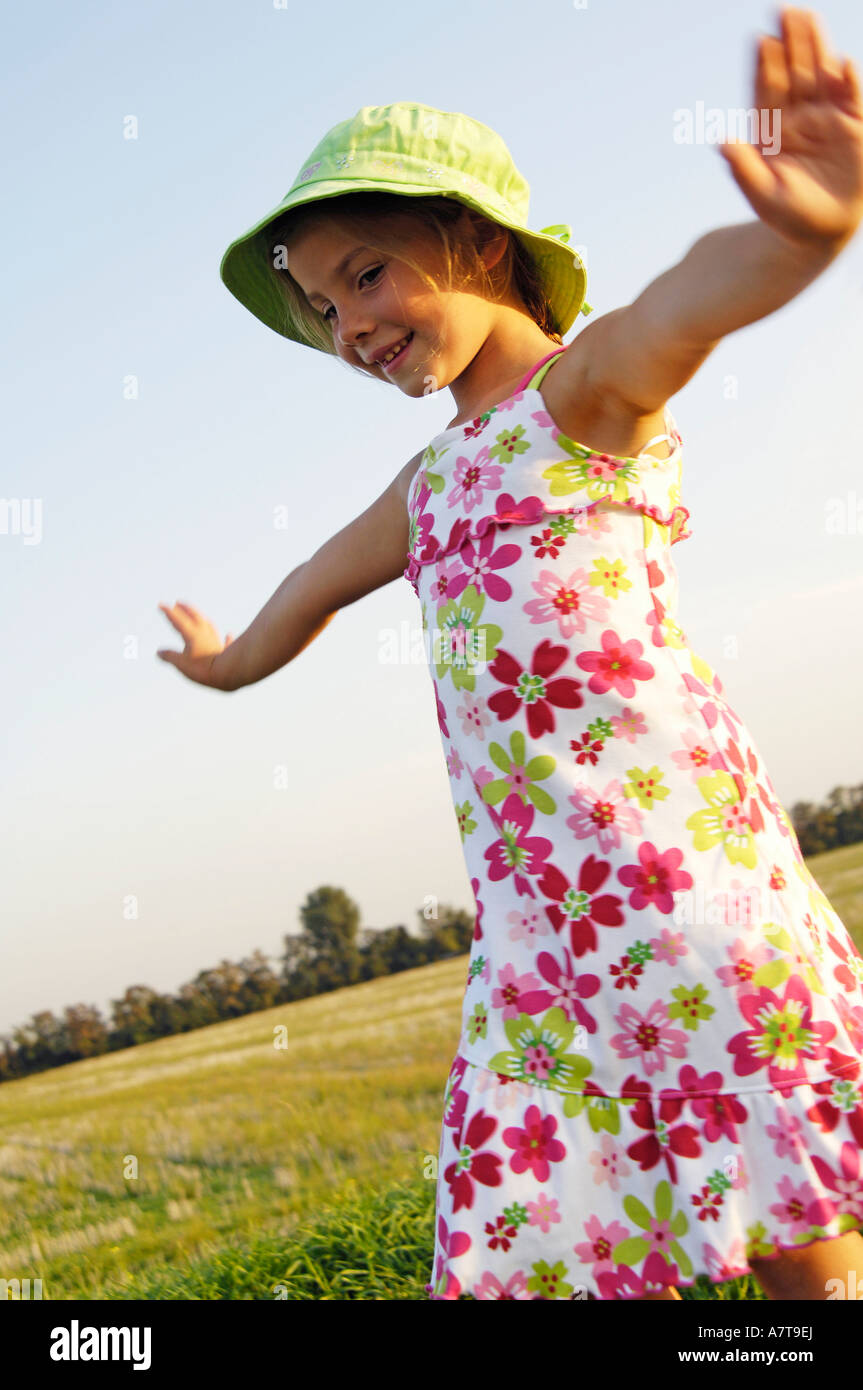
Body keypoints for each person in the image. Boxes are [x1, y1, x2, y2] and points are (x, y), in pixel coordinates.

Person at [158, 9, 863, 1302]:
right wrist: (227, 662)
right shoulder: (427, 485)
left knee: (800, 1229)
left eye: (366, 275)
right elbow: (310, 584)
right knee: (516, 1246)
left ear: (478, 238)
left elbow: (692, 302)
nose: (345, 326)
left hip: (685, 880)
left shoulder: (585, 391)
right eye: (320, 308)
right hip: (540, 934)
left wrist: (801, 231)